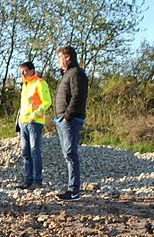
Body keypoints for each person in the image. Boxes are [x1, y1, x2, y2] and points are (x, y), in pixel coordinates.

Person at [54, 46, 88, 201]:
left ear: (67, 57)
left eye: (60, 57)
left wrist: (67, 116)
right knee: (68, 155)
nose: (59, 60)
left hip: (70, 120)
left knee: (70, 154)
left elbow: (78, 96)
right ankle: (71, 188)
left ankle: (73, 191)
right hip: (63, 119)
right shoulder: (67, 74)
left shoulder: (76, 73)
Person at [15, 61, 52, 189]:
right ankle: (28, 179)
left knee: (35, 151)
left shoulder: (39, 83)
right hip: (23, 122)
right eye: (21, 71)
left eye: (24, 71)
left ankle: (37, 180)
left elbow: (47, 102)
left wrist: (35, 115)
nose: (22, 74)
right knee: (26, 152)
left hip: (35, 122)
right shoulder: (25, 85)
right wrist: (19, 121)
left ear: (32, 70)